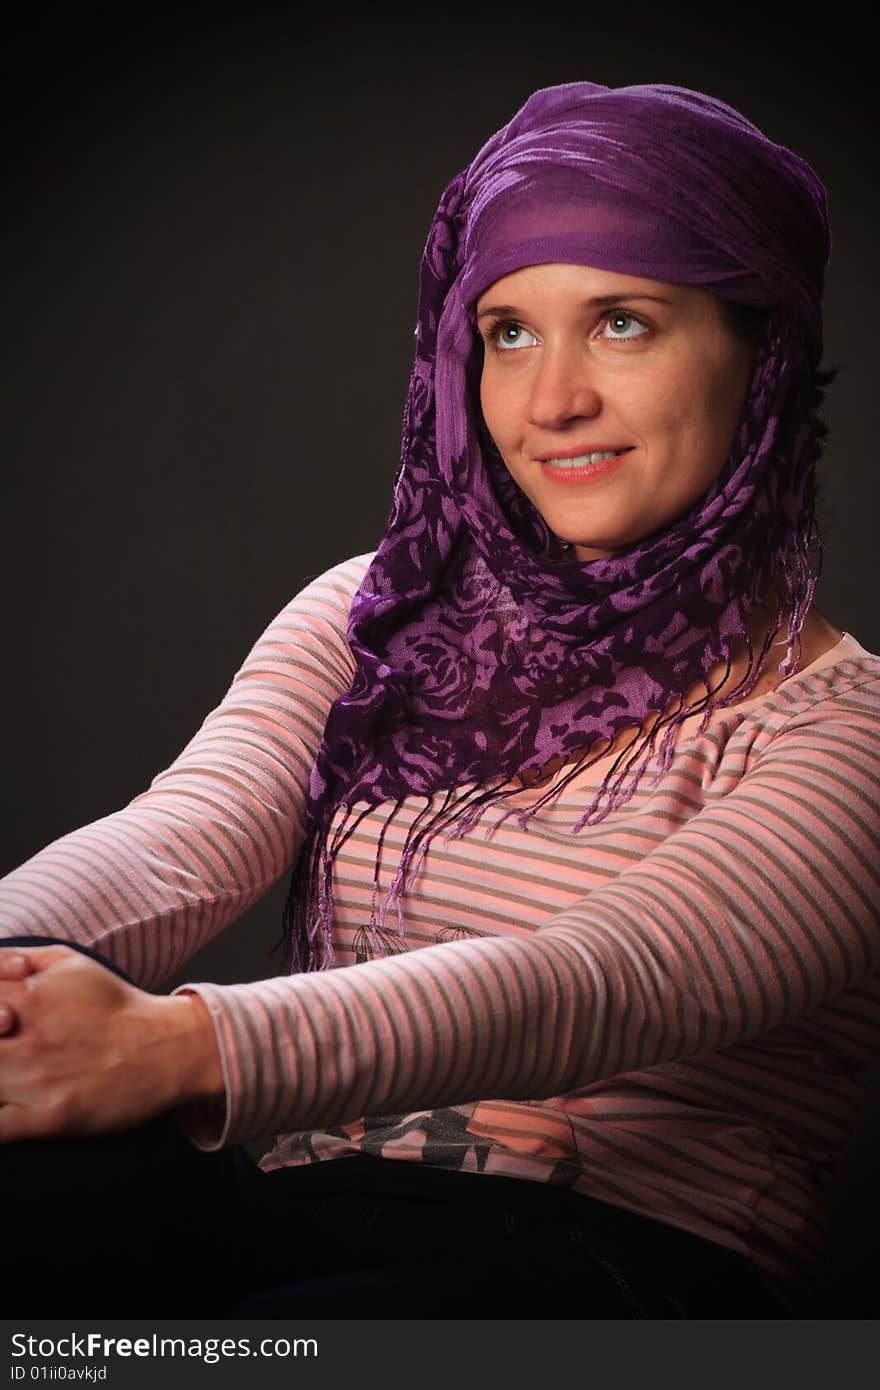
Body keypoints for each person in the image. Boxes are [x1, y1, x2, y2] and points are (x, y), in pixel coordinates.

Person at [1, 79, 878, 1321]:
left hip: (607, 1268)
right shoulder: (378, 612)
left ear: (760, 352)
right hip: (287, 1216)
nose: (548, 400)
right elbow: (185, 838)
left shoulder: (845, 734)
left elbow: (596, 979)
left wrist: (178, 1047)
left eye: (621, 322)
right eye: (507, 332)